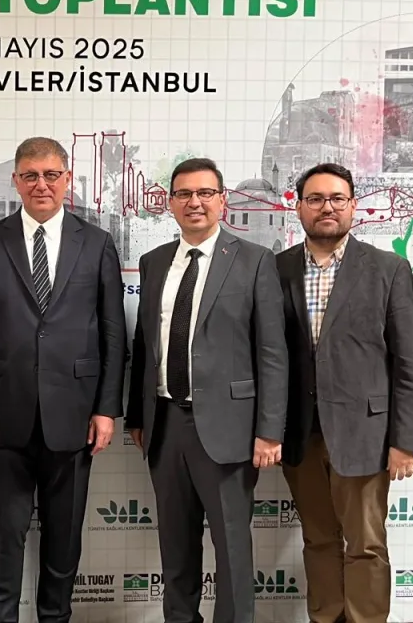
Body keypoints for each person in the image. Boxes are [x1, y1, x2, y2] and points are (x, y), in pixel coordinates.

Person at [0, 136, 126, 623]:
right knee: (2, 538)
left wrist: (106, 408)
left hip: (74, 415)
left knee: (64, 537)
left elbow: (113, 334)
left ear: (67, 180)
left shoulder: (97, 243)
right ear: (16, 181)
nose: (41, 185)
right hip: (2, 416)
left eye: (51, 175)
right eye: (30, 175)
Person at [125, 157, 287, 623]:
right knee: (175, 546)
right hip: (165, 424)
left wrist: (269, 430)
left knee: (232, 548)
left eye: (204, 193)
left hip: (230, 429)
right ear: (170, 202)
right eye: (183, 194)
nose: (194, 202)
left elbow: (272, 351)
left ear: (222, 200)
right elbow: (145, 345)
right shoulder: (155, 262)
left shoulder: (254, 260)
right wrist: (137, 415)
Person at [276, 163, 413, 623]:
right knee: (318, 540)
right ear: (299, 207)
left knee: (366, 545)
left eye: (337, 199)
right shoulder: (277, 269)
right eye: (315, 199)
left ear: (353, 206)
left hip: (366, 434)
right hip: (300, 433)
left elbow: (408, 362)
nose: (327, 207)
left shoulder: (387, 269)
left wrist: (406, 440)